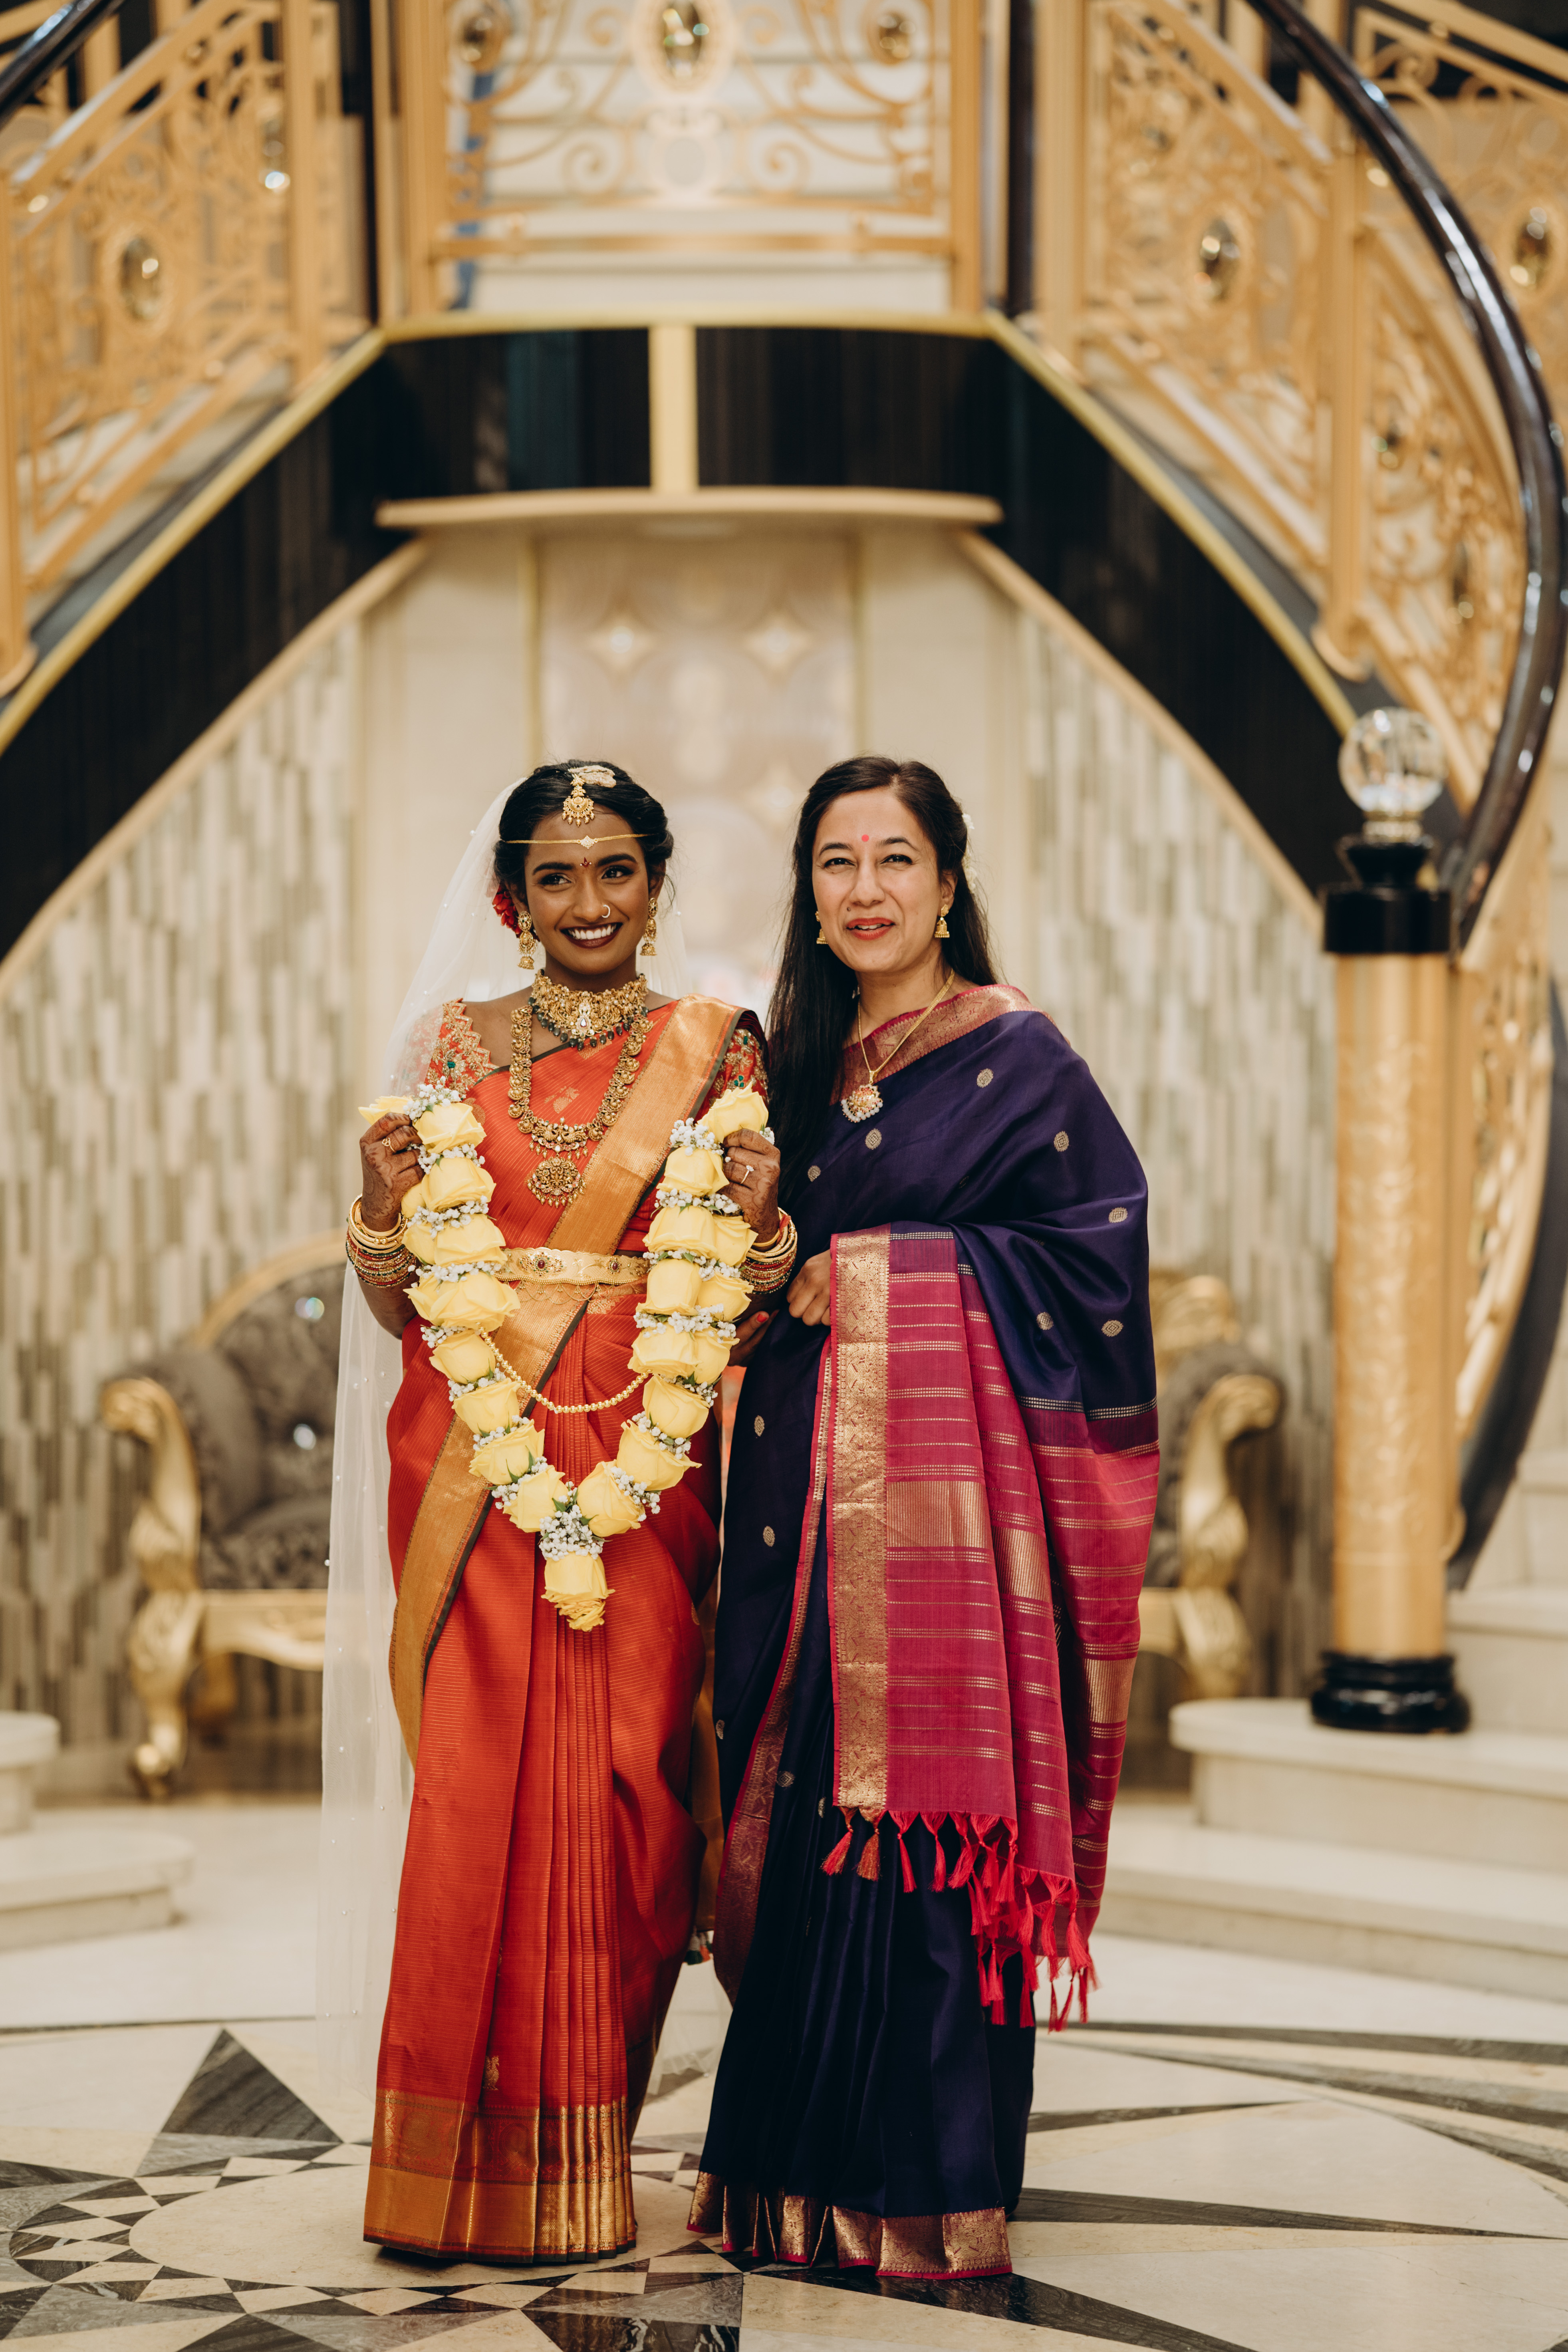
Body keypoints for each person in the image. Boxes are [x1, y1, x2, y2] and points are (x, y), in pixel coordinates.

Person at [690, 755, 1159, 2282]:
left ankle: (924, 2180)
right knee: (802, 1817)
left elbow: (1094, 1268)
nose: (868, 889)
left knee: (915, 1835)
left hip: (936, 1539)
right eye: (838, 862)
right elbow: (748, 1275)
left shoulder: (1019, 1058)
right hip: (800, 1509)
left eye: (897, 858)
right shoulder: (788, 1069)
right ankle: (788, 2181)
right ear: (811, 892)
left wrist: (879, 1279)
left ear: (949, 883)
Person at [331, 762, 793, 2263]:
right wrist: (382, 1214)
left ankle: (582, 2152)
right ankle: (446, 2170)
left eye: (615, 872)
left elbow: (748, 1291)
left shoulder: (717, 1047)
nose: (588, 903)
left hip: (645, 1465)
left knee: (632, 1790)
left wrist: (767, 1224)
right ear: (510, 897)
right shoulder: (452, 1045)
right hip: (475, 1451)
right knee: (476, 1793)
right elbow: (405, 1299)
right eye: (555, 877)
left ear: (657, 883)